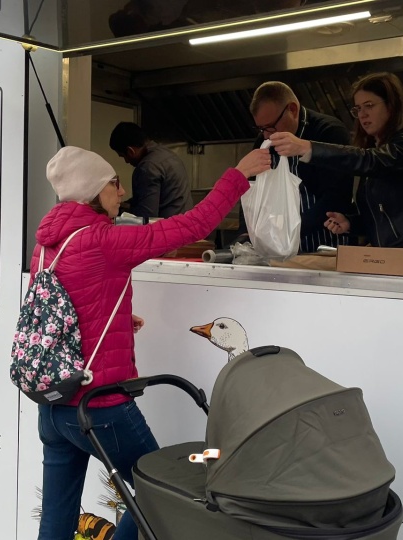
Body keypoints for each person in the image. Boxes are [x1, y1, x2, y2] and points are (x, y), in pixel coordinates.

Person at [33, 145, 271, 540]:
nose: (122, 192)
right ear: (93, 190)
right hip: (101, 406)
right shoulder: (102, 239)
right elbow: (190, 227)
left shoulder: (47, 243)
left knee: (56, 520)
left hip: (54, 404)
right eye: (114, 184)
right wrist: (237, 177)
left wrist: (116, 317)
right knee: (156, 491)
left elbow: (55, 310)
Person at [269, 72, 403, 249]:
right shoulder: (376, 149)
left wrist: (308, 148)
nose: (362, 114)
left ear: (391, 105)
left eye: (369, 105)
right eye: (358, 108)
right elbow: (385, 217)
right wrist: (351, 224)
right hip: (394, 253)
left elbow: (371, 161)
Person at [249, 81, 354, 252]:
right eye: (261, 128)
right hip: (278, 246)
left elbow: (337, 196)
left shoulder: (329, 132)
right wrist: (248, 234)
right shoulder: (264, 142)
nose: (267, 134)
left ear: (292, 109)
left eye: (270, 126)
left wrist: (291, 232)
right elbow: (252, 191)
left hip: (325, 245)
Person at [109, 122, 194, 219]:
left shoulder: (147, 167)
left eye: (124, 156)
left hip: (169, 230)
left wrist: (117, 216)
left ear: (130, 151)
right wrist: (125, 204)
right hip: (186, 226)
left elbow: (146, 216)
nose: (126, 161)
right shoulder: (168, 154)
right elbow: (153, 197)